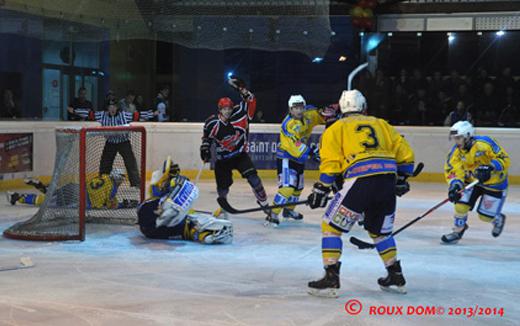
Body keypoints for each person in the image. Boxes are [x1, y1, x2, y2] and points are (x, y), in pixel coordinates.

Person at [306, 89, 415, 298]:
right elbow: (406, 155)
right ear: (364, 107)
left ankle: (331, 278)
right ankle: (395, 275)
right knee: (380, 231)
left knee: (330, 226)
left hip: (359, 180)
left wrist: (321, 188)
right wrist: (402, 178)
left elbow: (330, 164)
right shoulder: (382, 124)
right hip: (386, 181)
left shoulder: (336, 128)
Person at [200, 76, 270, 219]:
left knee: (254, 179)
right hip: (223, 159)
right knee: (223, 187)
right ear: (219, 109)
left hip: (240, 155)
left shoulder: (241, 115)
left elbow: (251, 100)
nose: (227, 111)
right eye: (224, 109)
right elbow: (206, 138)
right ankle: (223, 206)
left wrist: (242, 89)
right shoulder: (211, 123)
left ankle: (265, 205)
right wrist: (205, 148)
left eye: (229, 108)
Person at [265, 96, 337, 227]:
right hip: (287, 158)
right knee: (287, 188)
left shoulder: (308, 114)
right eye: (295, 108)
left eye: (301, 107)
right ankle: (273, 214)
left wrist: (326, 113)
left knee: (298, 188)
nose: (299, 111)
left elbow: (319, 115)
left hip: (298, 158)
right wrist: (310, 152)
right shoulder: (288, 124)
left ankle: (289, 210)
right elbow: (293, 144)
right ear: (290, 109)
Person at [441, 121, 509, 244]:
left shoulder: (485, 143)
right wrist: (455, 185)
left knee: (485, 217)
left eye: (459, 138)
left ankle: (497, 219)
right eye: (455, 138)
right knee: (460, 205)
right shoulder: (456, 152)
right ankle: (458, 231)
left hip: (494, 184)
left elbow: (504, 158)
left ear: (468, 136)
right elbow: (453, 170)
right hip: (472, 182)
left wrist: (491, 167)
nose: (456, 141)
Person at [137, 157, 233, 244]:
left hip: (155, 226)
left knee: (188, 221)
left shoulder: (148, 205)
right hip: (156, 223)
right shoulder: (149, 206)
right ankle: (205, 232)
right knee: (189, 222)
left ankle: (205, 232)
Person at [68, 100, 158, 187]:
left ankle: (136, 183)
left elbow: (138, 115)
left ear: (117, 108)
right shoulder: (102, 115)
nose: (112, 109)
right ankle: (102, 182)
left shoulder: (124, 115)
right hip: (110, 143)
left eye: (114, 106)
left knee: (130, 163)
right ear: (107, 108)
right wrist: (75, 111)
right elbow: (89, 113)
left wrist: (152, 114)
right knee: (105, 163)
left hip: (124, 142)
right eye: (110, 107)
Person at [7, 170, 135, 209]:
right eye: (122, 179)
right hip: (79, 198)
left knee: (54, 193)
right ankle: (17, 196)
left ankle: (38, 184)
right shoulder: (112, 188)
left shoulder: (104, 176)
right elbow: (107, 203)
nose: (122, 181)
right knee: (45, 202)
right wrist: (120, 204)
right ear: (117, 178)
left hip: (75, 187)